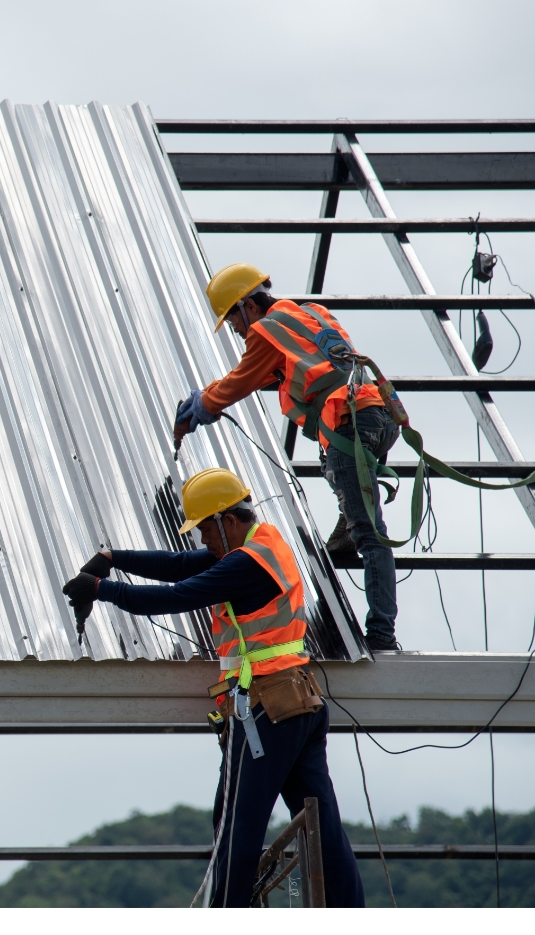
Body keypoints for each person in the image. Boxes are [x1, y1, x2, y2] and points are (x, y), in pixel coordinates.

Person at [62, 467, 365, 908]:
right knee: (322, 828)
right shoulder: (263, 545)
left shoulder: (244, 564)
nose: (202, 539)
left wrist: (99, 589)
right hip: (297, 702)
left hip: (266, 708)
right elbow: (179, 565)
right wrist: (112, 557)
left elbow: (176, 595)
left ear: (228, 519)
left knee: (235, 828)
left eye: (205, 527)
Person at [173, 263, 400, 652]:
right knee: (356, 511)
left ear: (248, 306)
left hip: (349, 425)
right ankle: (345, 531)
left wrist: (204, 405)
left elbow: (243, 379)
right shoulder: (307, 312)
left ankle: (381, 635)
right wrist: (207, 395)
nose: (239, 331)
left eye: (234, 322)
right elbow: (263, 373)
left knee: (371, 534)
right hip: (379, 414)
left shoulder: (263, 331)